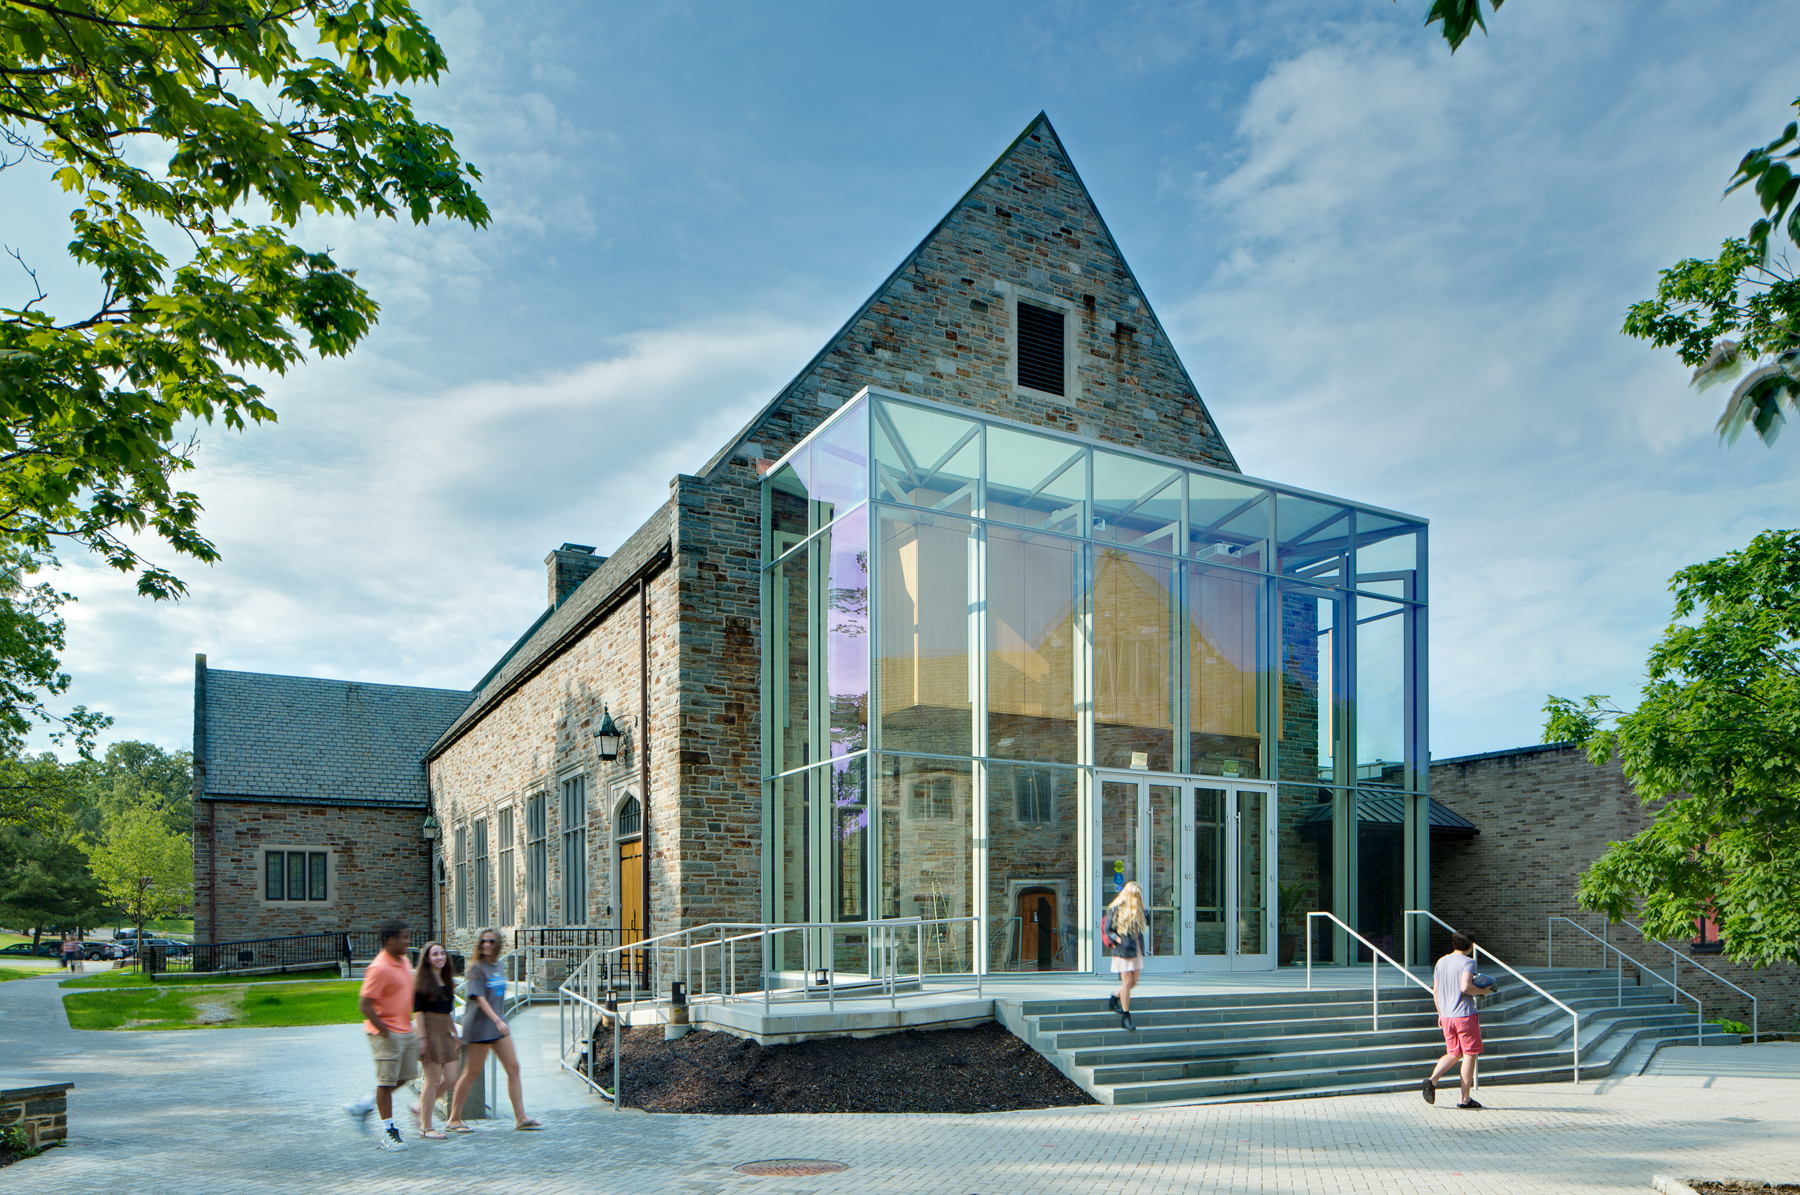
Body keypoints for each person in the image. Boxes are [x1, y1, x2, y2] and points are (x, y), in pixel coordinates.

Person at [447, 928, 542, 1132]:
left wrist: (499, 1021)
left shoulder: (498, 965)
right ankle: (454, 1119)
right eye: (483, 941)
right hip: (481, 1028)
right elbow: (479, 998)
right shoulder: (476, 968)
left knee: (513, 1068)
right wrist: (497, 1020)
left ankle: (520, 1118)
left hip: (498, 1026)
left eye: (490, 941)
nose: (486, 945)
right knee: (470, 1073)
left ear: (497, 944)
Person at [345, 920, 419, 1151]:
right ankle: (388, 1132)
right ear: (390, 940)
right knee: (385, 1083)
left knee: (406, 1076)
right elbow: (364, 1004)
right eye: (404, 937)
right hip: (385, 1033)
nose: (408, 941)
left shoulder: (404, 962)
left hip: (406, 1030)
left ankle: (365, 1105)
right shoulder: (379, 967)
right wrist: (384, 1030)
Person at [1423, 929, 1496, 1110]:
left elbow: (1436, 991)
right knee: (1469, 1055)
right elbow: (1465, 987)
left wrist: (1440, 1013)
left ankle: (1432, 1080)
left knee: (1453, 1053)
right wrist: (1483, 991)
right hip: (1464, 1015)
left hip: (1446, 1015)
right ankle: (1464, 1098)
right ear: (1470, 945)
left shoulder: (1441, 961)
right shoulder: (1468, 962)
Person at [411, 942, 462, 1140]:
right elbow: (419, 1012)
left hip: (444, 1032)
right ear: (427, 958)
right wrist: (422, 1037)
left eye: (442, 954)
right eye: (435, 954)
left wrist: (454, 1032)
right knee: (431, 1081)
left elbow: (447, 1012)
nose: (440, 957)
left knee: (450, 1078)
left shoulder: (447, 981)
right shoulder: (422, 982)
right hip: (429, 1032)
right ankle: (426, 1126)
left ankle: (418, 1107)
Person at [1099, 881, 1148, 1031]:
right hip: (1123, 951)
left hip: (1136, 950)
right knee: (1127, 982)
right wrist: (1118, 939)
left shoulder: (1137, 909)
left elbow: (1148, 921)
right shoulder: (1116, 908)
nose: (1138, 897)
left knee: (1133, 982)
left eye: (1139, 895)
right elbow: (1108, 929)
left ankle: (1115, 997)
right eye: (1136, 895)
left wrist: (1142, 904)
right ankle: (1126, 1017)